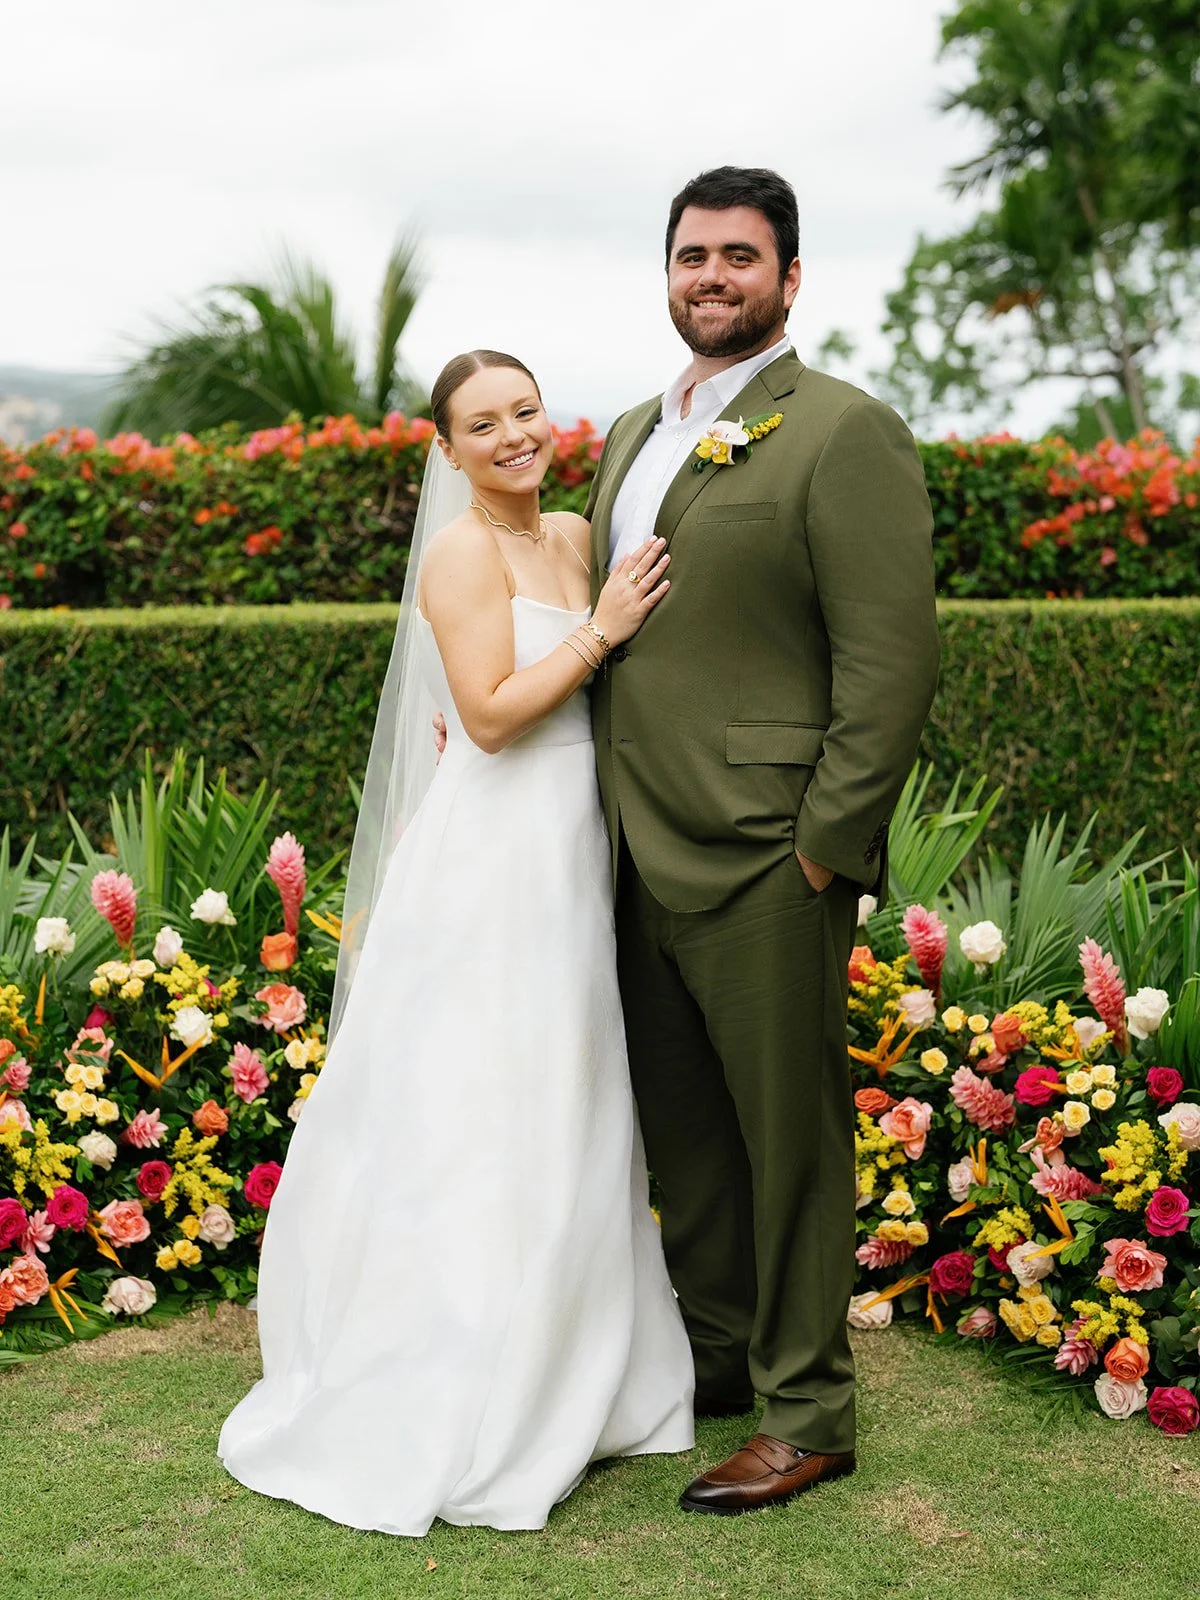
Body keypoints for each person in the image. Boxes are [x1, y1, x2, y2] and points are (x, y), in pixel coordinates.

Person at [218, 349, 695, 1537]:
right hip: (497, 854)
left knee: (573, 1094)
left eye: (526, 410)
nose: (514, 434)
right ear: (448, 449)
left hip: (578, 839)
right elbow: (484, 717)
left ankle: (582, 1360)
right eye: (483, 424)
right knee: (480, 1103)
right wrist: (606, 631)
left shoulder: (580, 535)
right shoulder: (461, 551)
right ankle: (466, 1369)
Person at [584, 165, 940, 1514]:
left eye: (740, 256)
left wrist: (822, 847)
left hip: (763, 858)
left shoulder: (844, 431)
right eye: (692, 255)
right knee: (687, 1138)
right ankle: (721, 1364)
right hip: (626, 850)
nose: (712, 277)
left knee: (789, 1146)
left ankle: (810, 1415)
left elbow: (890, 662)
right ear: (667, 273)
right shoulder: (630, 431)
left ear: (791, 279)